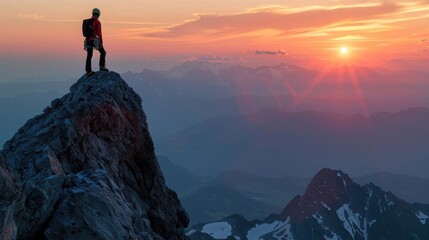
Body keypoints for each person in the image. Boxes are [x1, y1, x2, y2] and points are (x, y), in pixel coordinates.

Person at [85, 8, 109, 76]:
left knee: (89, 55)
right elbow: (99, 34)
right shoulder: (97, 22)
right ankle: (102, 66)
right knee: (103, 52)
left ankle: (88, 71)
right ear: (98, 14)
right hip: (94, 40)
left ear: (92, 13)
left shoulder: (88, 21)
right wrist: (101, 42)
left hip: (88, 40)